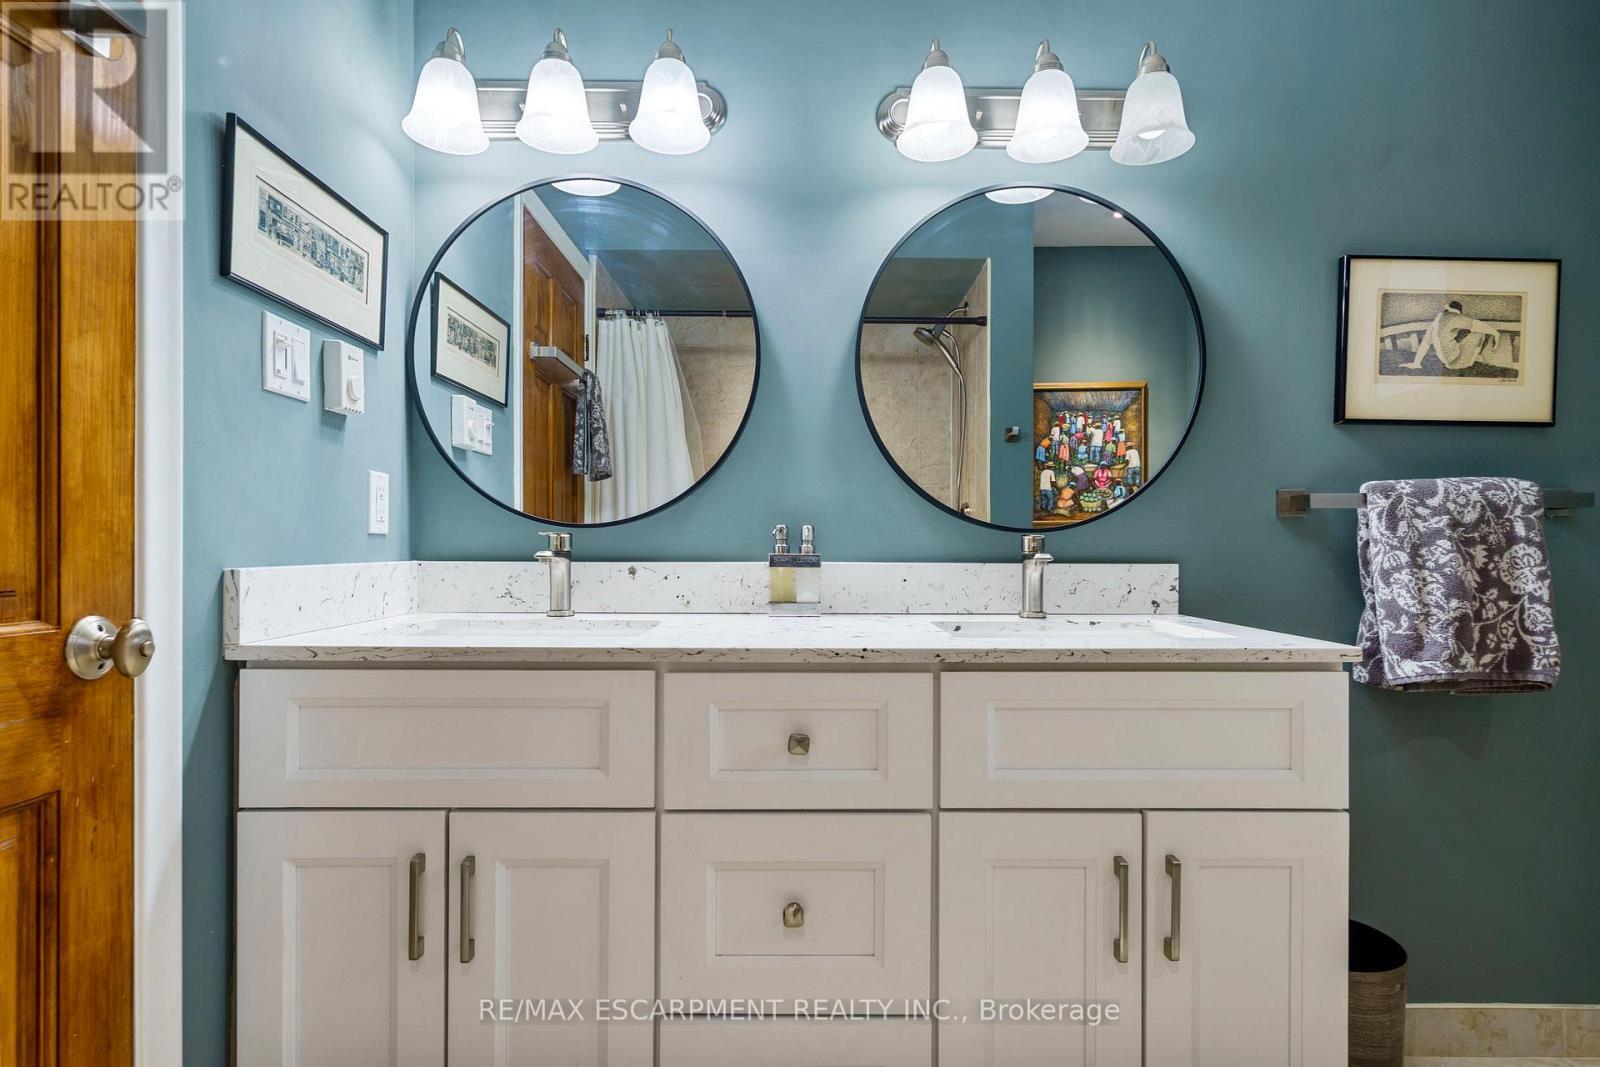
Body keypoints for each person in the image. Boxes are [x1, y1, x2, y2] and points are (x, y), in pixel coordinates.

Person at [1401, 299, 1518, 372]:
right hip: (1456, 362)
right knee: (1479, 334)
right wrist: (1496, 334)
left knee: (1463, 336)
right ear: (1458, 312)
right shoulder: (1455, 318)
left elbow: (1425, 344)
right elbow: (1478, 325)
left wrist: (1416, 363)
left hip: (1446, 362)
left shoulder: (1436, 321)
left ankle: (1475, 358)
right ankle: (1477, 360)